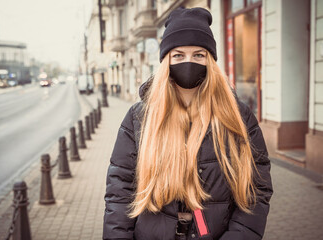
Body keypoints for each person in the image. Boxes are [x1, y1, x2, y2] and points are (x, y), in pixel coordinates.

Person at [103, 7, 273, 240]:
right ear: (166, 61)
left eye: (199, 55)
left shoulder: (236, 115)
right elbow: (119, 191)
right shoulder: (140, 117)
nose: (189, 62)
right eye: (178, 55)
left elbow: (257, 188)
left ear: (210, 61)